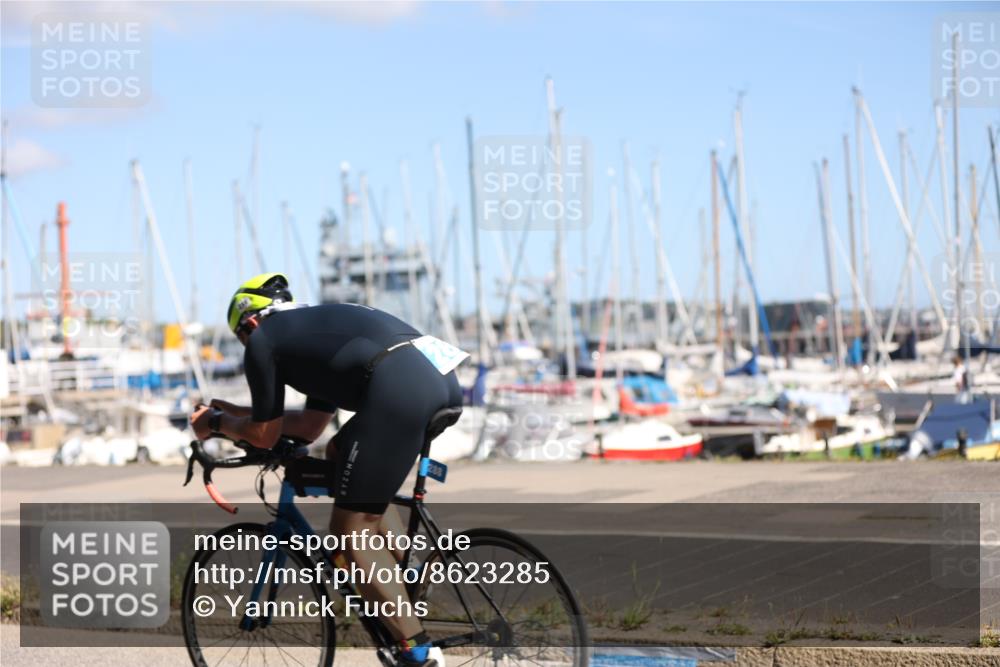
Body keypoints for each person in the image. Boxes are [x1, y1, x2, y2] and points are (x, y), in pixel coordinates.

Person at [190, 273, 464, 666]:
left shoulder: (265, 340)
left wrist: (215, 423)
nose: (245, 346)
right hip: (440, 381)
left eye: (241, 337)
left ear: (249, 322)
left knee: (348, 533)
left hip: (400, 388)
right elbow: (309, 427)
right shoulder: (312, 334)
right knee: (339, 452)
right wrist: (236, 414)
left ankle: (416, 650)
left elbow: (264, 437)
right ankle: (403, 569)